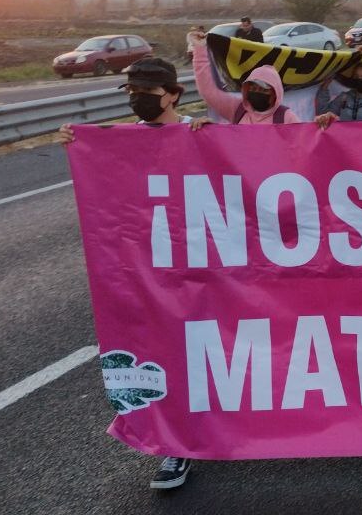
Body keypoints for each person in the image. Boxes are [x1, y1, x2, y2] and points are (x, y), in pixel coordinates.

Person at [56, 56, 207, 492]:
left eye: (149, 93)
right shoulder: (120, 142)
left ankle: (214, 430)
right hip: (147, 275)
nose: (139, 100)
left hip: (199, 271)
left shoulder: (199, 133)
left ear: (173, 95)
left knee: (199, 357)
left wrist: (211, 142)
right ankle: (174, 449)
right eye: (133, 93)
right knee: (163, 356)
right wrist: (78, 143)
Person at [190, 30, 300, 124]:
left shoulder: (286, 118)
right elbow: (208, 91)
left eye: (263, 89)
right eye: (253, 88)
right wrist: (200, 49)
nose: (257, 92)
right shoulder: (237, 110)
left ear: (275, 93)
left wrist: (318, 125)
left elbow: (306, 142)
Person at [314, 47, 362, 123]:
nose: (360, 79)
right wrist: (324, 87)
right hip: (346, 136)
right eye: (356, 76)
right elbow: (323, 113)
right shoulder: (344, 97)